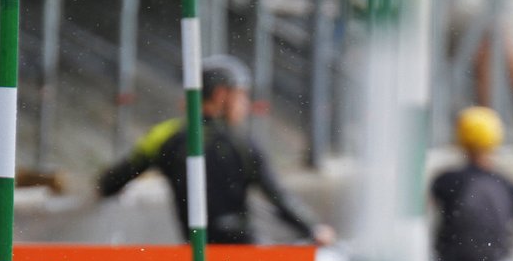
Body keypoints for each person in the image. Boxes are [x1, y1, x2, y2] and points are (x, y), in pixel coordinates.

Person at [97, 55, 335, 246]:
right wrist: (313, 228)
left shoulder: (164, 137)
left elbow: (110, 182)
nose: (245, 105)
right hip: (244, 251)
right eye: (241, 96)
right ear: (221, 95)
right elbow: (278, 196)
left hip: (197, 256)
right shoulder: (241, 143)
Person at [429, 106, 513, 261]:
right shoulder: (510, 187)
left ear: (459, 137)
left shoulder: (445, 181)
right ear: (497, 138)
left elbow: (414, 218)